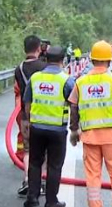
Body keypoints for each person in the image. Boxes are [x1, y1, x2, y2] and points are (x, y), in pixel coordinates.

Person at [68, 40, 112, 207]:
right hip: (111, 137)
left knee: (92, 178)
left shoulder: (81, 82)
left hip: (90, 138)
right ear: (109, 59)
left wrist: (74, 131)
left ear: (92, 59)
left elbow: (74, 108)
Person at [23, 46, 74, 207]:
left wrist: (29, 122)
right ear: (63, 60)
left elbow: (27, 103)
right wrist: (75, 126)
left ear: (45, 59)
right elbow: (74, 105)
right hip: (57, 130)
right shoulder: (67, 80)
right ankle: (51, 201)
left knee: (34, 163)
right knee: (54, 166)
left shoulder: (35, 78)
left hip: (37, 128)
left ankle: (32, 198)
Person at [15, 35, 47, 197]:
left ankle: (27, 180)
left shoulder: (18, 68)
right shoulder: (44, 67)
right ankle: (40, 183)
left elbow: (19, 91)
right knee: (42, 152)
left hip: (25, 115)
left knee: (28, 151)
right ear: (39, 48)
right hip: (42, 115)